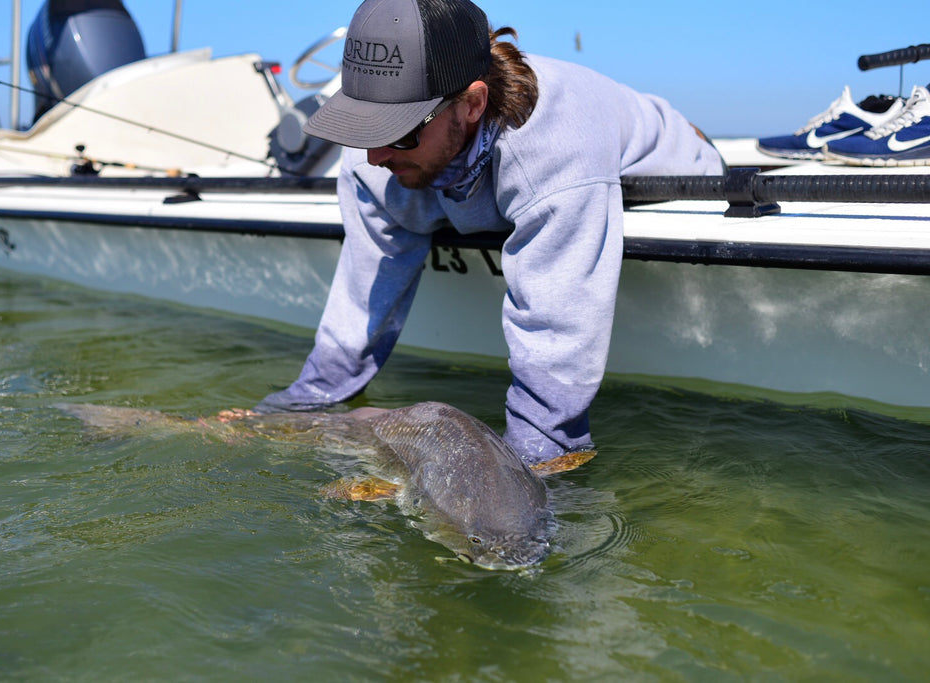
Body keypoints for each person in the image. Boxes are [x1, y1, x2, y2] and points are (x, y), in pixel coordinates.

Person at [256, 0, 724, 465]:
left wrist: (532, 472)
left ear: (474, 103)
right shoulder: (373, 161)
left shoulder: (558, 147)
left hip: (674, 164)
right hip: (480, 174)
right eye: (363, 127)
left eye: (398, 132)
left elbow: (555, 339)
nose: (375, 156)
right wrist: (291, 412)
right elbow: (362, 296)